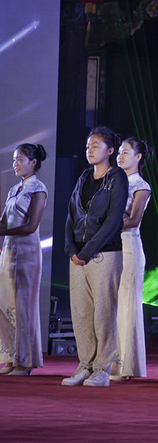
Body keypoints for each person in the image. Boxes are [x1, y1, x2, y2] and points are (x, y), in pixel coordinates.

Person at [63, 126, 129, 387]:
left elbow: (114, 221)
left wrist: (87, 251)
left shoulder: (117, 178)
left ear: (110, 150)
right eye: (88, 146)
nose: (89, 150)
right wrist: (71, 249)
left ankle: (102, 369)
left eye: (95, 145)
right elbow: (71, 215)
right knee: (81, 313)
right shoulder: (83, 177)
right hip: (78, 255)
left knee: (103, 313)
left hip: (104, 254)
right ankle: (85, 366)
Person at [0, 144, 49, 376]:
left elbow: (31, 226)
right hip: (9, 251)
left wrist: (2, 232)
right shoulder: (14, 189)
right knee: (8, 304)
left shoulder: (38, 189)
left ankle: (26, 360)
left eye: (20, 159)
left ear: (33, 162)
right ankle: (12, 356)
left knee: (24, 305)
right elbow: (4, 222)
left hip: (27, 253)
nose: (15, 164)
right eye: (14, 159)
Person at [110, 137, 152, 381]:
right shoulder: (112, 181)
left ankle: (127, 365)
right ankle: (110, 362)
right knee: (111, 306)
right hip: (109, 247)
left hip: (128, 247)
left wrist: (104, 227)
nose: (120, 156)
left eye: (126, 152)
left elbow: (134, 220)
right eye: (119, 152)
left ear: (138, 157)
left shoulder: (140, 185)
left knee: (127, 305)